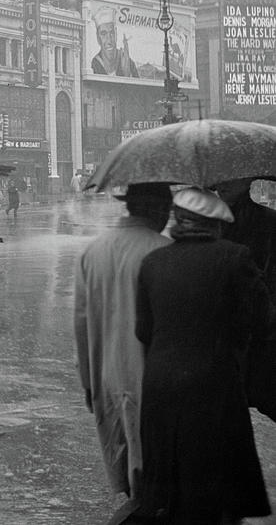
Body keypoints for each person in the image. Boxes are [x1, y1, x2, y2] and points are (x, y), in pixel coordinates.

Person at [132, 186, 272, 524]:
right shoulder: (235, 257)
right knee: (214, 468)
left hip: (159, 383)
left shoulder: (153, 262)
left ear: (178, 221)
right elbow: (261, 319)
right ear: (216, 224)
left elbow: (143, 331)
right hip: (214, 382)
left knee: (168, 465)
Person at [74, 182, 173, 505]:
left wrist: (88, 383)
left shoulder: (93, 251)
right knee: (157, 473)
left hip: (106, 376)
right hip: (153, 379)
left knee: (125, 462)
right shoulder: (164, 251)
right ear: (158, 210)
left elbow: (82, 323)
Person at [213, 177, 276, 297]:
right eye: (219, 178)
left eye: (231, 178)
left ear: (247, 180)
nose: (222, 184)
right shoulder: (211, 220)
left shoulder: (267, 219)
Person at [91, 6, 139, 77]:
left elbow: (138, 86)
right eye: (104, 34)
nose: (109, 40)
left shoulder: (128, 62)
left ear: (116, 34)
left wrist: (127, 73)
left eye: (111, 33)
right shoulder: (96, 64)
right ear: (98, 38)